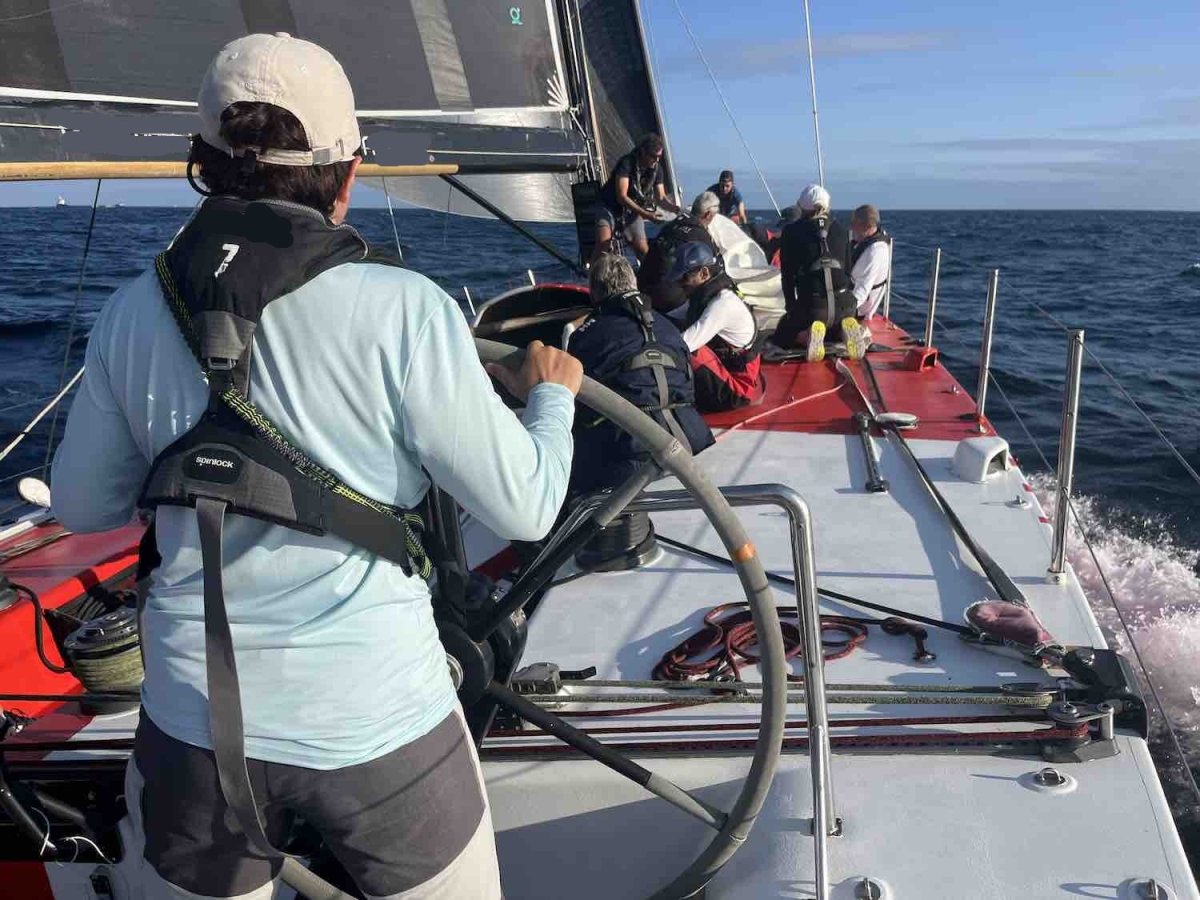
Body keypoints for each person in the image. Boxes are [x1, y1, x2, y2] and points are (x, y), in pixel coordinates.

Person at [49, 33, 582, 900]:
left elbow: (81, 506)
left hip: (194, 731)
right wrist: (551, 397)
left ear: (200, 165)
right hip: (380, 724)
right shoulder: (405, 310)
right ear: (348, 173)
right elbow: (525, 506)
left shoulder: (130, 313)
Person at [568, 254, 713, 493]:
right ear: (633, 284)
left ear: (595, 292)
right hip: (687, 440)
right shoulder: (670, 329)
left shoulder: (585, 336)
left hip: (627, 453)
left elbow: (576, 402)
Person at [773, 184, 870, 361]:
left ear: (802, 208)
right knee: (834, 321)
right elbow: (848, 272)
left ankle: (807, 336)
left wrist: (791, 309)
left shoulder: (791, 232)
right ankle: (842, 331)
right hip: (845, 305)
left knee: (782, 333)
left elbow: (787, 277)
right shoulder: (842, 231)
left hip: (813, 307)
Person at [669, 242, 765, 411]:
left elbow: (684, 344)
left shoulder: (722, 305)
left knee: (688, 351)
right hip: (727, 371)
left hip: (739, 390)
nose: (680, 284)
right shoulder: (706, 298)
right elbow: (671, 318)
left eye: (684, 277)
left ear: (704, 273)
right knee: (671, 331)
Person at [595, 133, 680, 261]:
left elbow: (661, 198)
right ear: (643, 151)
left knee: (643, 251)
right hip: (609, 207)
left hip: (631, 212)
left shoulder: (657, 170)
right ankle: (594, 270)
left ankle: (648, 273)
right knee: (603, 246)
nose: (656, 160)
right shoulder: (627, 163)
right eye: (653, 156)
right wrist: (645, 214)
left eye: (659, 157)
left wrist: (676, 209)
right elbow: (622, 196)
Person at [637, 190, 721, 314]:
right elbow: (714, 271)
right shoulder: (701, 236)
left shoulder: (669, 226)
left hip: (643, 290)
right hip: (667, 299)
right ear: (708, 215)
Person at [849, 204, 892, 320]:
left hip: (858, 311)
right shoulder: (865, 242)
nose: (851, 227)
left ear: (868, 227)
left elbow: (861, 292)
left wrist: (840, 311)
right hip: (849, 296)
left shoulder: (875, 251)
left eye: (854, 224)